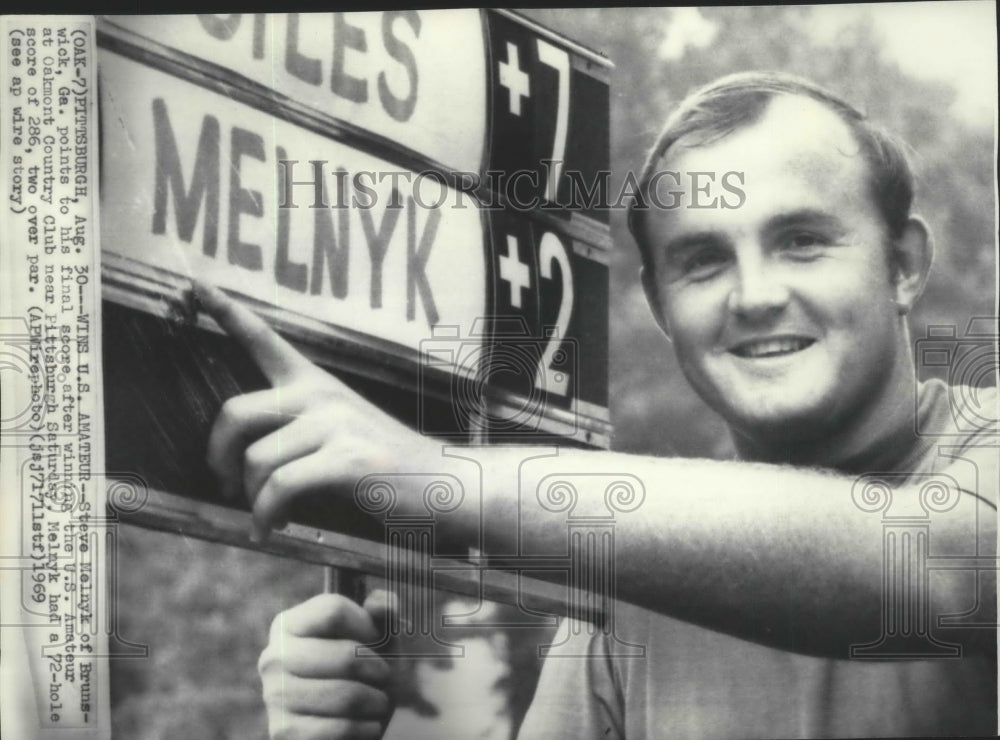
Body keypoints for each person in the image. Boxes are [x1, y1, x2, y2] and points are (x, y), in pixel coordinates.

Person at [194, 71, 997, 739]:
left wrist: (426, 472)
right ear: (658, 305)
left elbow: (928, 570)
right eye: (703, 261)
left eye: (803, 241)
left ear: (903, 265)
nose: (755, 296)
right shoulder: (634, 585)